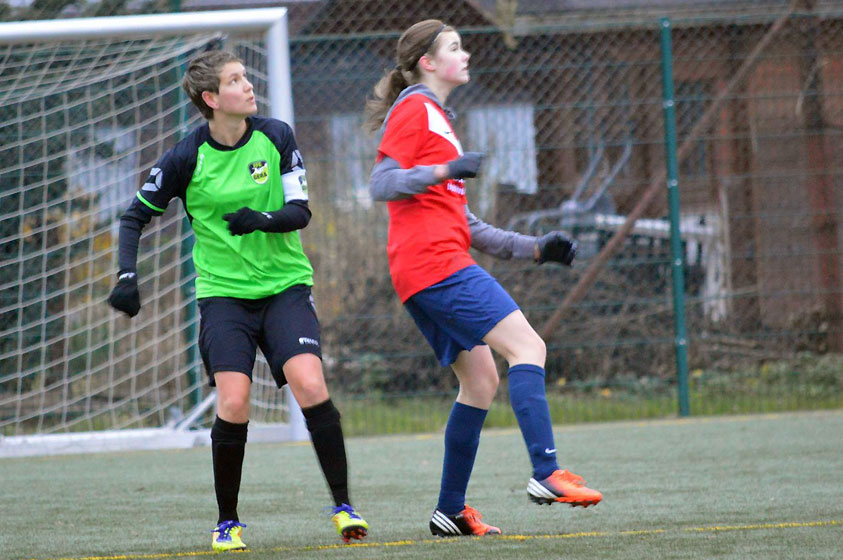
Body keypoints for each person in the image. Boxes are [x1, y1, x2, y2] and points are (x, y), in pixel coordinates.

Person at [107, 50, 368, 551]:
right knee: (234, 401)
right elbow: (133, 217)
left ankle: (344, 507)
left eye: (246, 77)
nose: (248, 86)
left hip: (285, 287)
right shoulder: (186, 157)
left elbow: (300, 211)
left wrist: (260, 220)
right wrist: (127, 277)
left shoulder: (276, 136)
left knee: (310, 384)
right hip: (224, 297)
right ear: (211, 98)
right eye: (235, 80)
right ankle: (227, 522)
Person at [364, 20, 602, 537]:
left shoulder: (439, 118)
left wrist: (534, 248)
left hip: (425, 268)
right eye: (455, 47)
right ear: (428, 62)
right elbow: (380, 183)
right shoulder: (416, 108)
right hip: (435, 266)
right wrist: (441, 170)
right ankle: (546, 472)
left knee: (480, 382)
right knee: (528, 347)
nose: (466, 54)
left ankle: (450, 510)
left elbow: (465, 224)